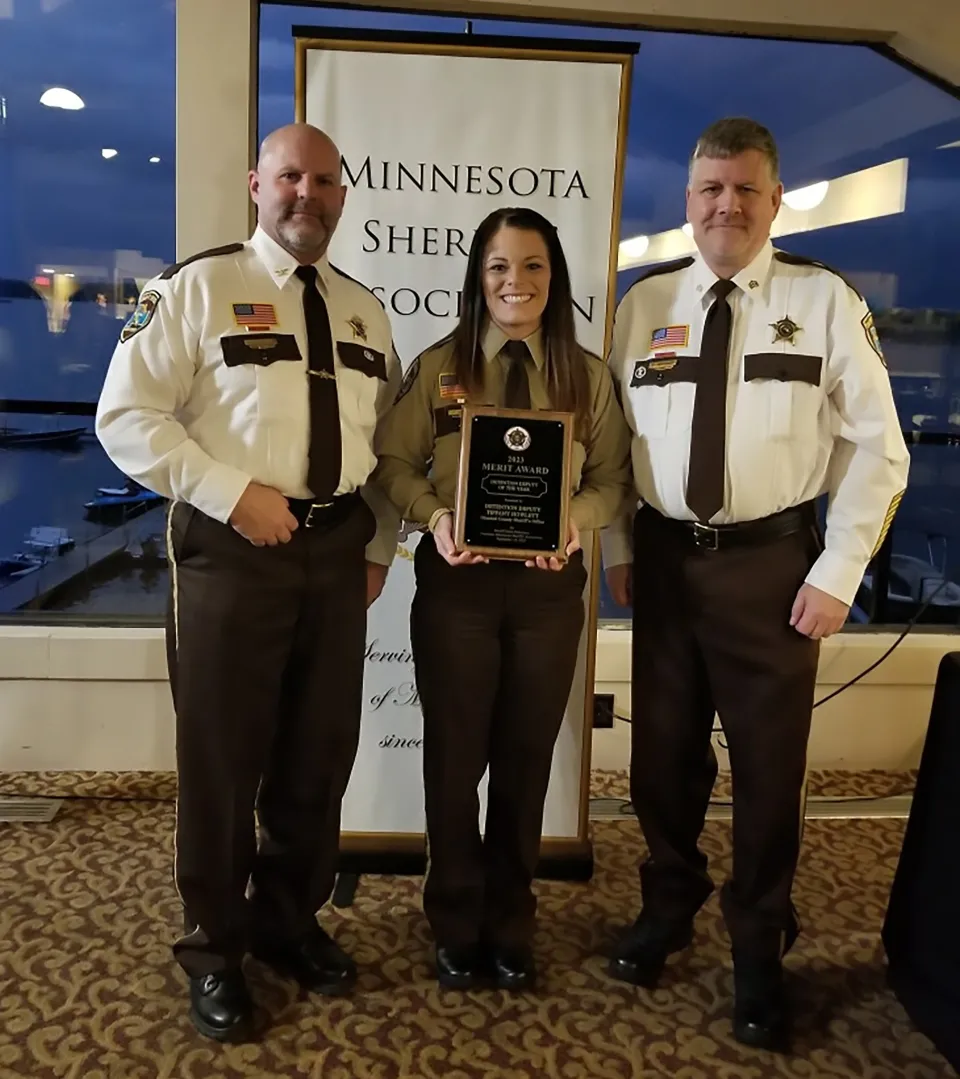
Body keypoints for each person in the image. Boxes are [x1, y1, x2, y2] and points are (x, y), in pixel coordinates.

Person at [601, 117, 909, 1051]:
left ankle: (758, 945)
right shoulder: (642, 304)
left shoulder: (823, 302)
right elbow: (615, 440)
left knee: (769, 774)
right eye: (708, 190)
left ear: (775, 199)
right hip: (661, 558)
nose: (725, 205)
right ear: (687, 202)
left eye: (743, 189)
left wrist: (837, 572)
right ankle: (669, 903)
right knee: (661, 756)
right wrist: (618, 544)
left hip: (775, 569)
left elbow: (880, 450)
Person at [95, 123, 401, 1042]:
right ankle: (215, 945)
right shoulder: (196, 288)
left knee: (318, 753)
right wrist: (233, 494)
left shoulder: (363, 308)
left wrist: (377, 546)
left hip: (335, 552)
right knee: (225, 763)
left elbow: (379, 447)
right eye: (289, 177)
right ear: (256, 185)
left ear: (342, 195)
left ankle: (288, 919)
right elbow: (126, 417)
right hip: (233, 551)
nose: (306, 193)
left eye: (323, 180)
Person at [375, 206, 632, 991]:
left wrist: (574, 522)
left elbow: (612, 482)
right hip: (457, 588)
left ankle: (511, 920)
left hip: (549, 596)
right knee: (455, 762)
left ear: (554, 279)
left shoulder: (584, 375)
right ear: (476, 278)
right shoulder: (440, 366)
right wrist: (436, 515)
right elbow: (391, 463)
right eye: (497, 267)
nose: (514, 282)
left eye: (531, 267)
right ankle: (455, 918)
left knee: (525, 759)